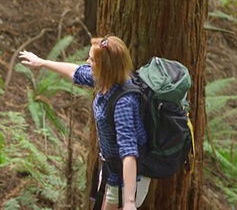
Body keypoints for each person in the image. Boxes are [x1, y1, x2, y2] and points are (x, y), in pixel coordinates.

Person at [19, 35, 150, 210]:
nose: (87, 62)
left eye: (92, 60)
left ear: (106, 67)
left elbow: (129, 152)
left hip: (127, 177)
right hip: (111, 168)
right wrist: (42, 62)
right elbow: (75, 71)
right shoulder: (105, 80)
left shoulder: (124, 103)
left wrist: (129, 202)